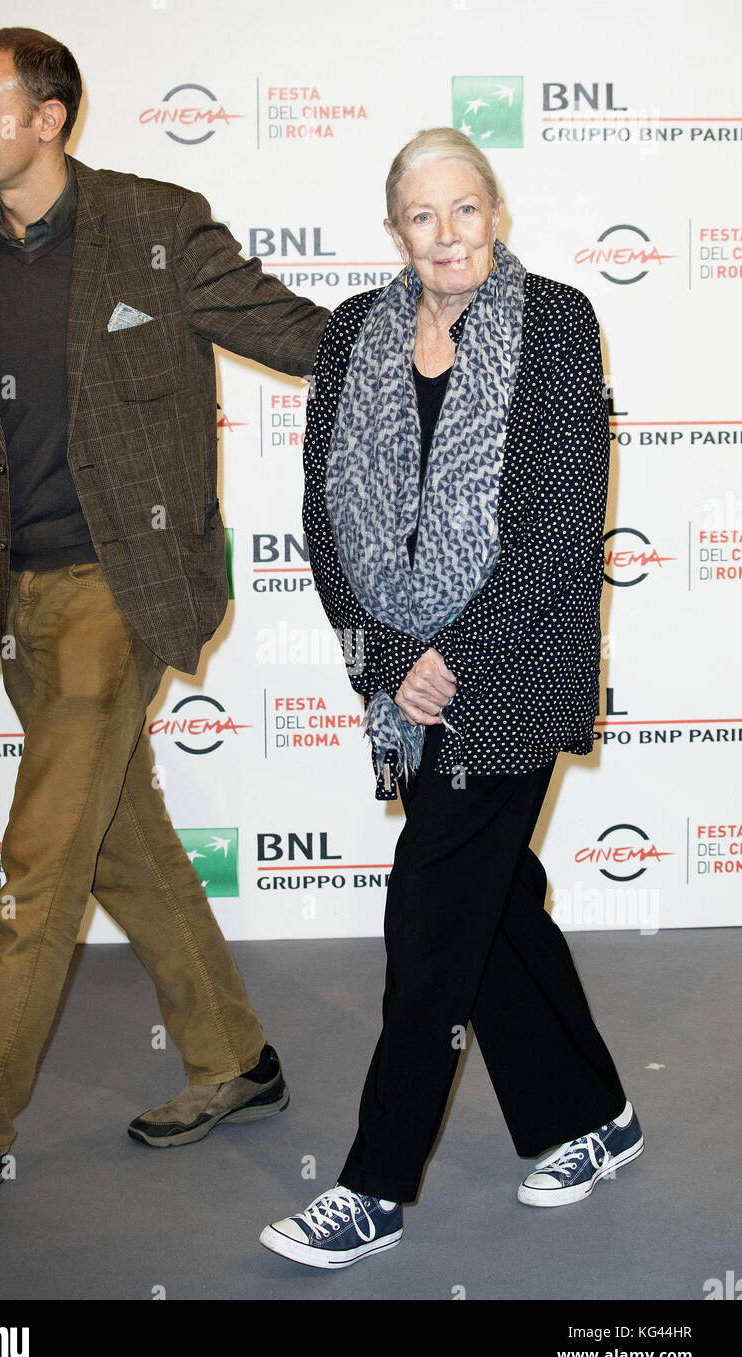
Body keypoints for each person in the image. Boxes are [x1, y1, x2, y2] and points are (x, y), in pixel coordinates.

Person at [0, 27, 329, 1199]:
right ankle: (235, 1059)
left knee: (37, 871)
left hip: (123, 587)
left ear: (49, 118)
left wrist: (444, 336)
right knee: (123, 844)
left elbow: (291, 332)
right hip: (14, 594)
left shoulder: (154, 221)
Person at [260, 128, 642, 1270]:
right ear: (396, 232)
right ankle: (594, 1115)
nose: (448, 236)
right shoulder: (354, 338)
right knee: (493, 907)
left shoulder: (559, 323)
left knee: (431, 911)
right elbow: (325, 513)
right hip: (402, 677)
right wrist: (386, 654)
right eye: (423, 217)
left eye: (465, 209)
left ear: (496, 212)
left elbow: (558, 526)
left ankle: (376, 1185)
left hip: (515, 672)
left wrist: (451, 658)